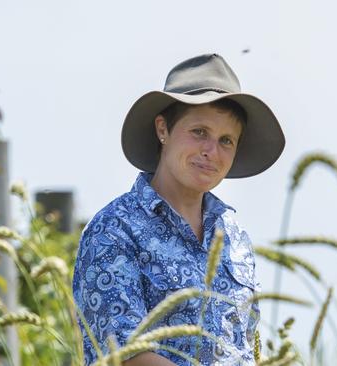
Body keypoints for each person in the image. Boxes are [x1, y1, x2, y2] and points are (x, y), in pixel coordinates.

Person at [72, 53, 285, 365]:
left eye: (226, 140)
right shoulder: (115, 229)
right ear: (163, 130)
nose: (211, 151)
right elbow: (127, 354)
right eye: (199, 132)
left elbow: (244, 349)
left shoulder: (235, 238)